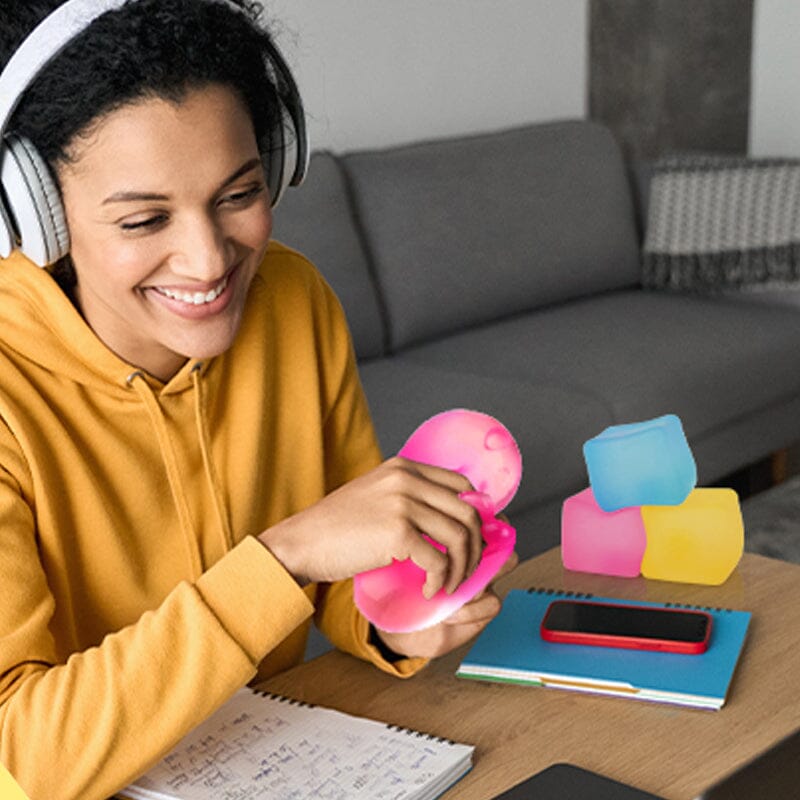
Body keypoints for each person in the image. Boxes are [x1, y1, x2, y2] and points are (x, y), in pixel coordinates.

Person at [0, 1, 518, 798]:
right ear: (36, 217)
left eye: (238, 195)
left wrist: (395, 613)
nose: (209, 260)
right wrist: (283, 556)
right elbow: (20, 752)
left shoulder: (294, 300)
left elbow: (341, 565)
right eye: (144, 219)